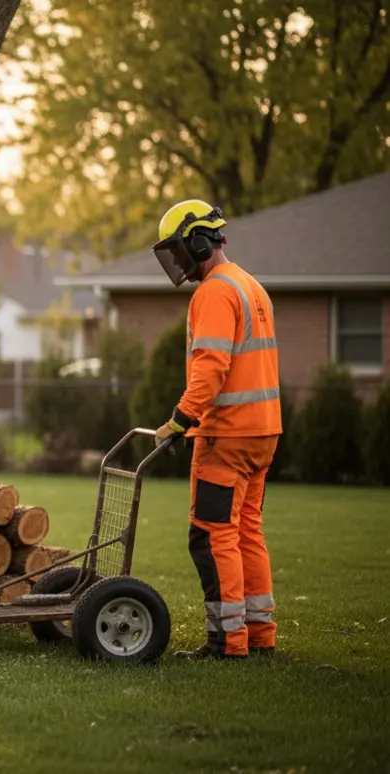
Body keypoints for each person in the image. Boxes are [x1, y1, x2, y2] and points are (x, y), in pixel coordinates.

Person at [149, 199, 283, 661]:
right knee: (246, 531)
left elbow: (210, 369)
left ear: (198, 241)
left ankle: (228, 641)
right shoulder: (251, 287)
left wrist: (178, 422)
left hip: (225, 437)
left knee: (212, 534)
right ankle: (260, 633)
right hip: (263, 435)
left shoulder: (213, 293)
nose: (178, 262)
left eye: (178, 250)